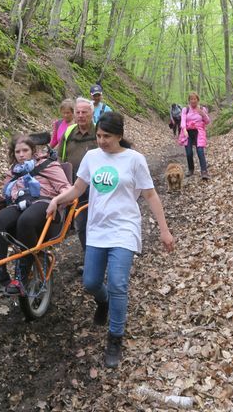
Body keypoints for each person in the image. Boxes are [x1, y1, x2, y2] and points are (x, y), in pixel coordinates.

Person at [46, 112, 174, 368]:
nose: (102, 141)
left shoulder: (135, 160)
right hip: (98, 229)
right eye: (99, 136)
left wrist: (164, 230)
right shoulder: (92, 157)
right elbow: (77, 189)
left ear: (119, 135)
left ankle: (115, 337)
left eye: (107, 136)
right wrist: (57, 199)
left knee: (118, 283)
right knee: (91, 282)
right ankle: (102, 301)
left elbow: (150, 195)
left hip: (124, 229)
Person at [0, 135, 71, 295]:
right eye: (17, 151)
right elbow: (10, 194)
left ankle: (22, 275)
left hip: (45, 203)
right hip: (20, 203)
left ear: (33, 150)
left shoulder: (48, 165)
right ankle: (0, 273)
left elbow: (66, 188)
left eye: (25, 150)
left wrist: (57, 200)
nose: (21, 154)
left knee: (25, 219)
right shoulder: (14, 172)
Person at [57, 97, 98, 272]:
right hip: (76, 187)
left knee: (98, 224)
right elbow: (60, 158)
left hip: (100, 188)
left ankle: (102, 258)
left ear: (92, 113)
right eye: (78, 112)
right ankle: (90, 259)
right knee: (81, 224)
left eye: (85, 112)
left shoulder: (100, 132)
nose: (81, 116)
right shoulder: (68, 134)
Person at [179, 92, 211, 179]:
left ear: (197, 100)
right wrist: (184, 129)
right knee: (189, 153)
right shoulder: (185, 109)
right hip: (188, 132)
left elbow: (207, 121)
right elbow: (182, 120)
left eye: (195, 99)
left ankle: (204, 171)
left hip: (199, 132)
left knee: (200, 151)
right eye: (191, 99)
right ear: (189, 100)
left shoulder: (202, 109)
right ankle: (191, 169)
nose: (193, 101)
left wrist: (203, 114)